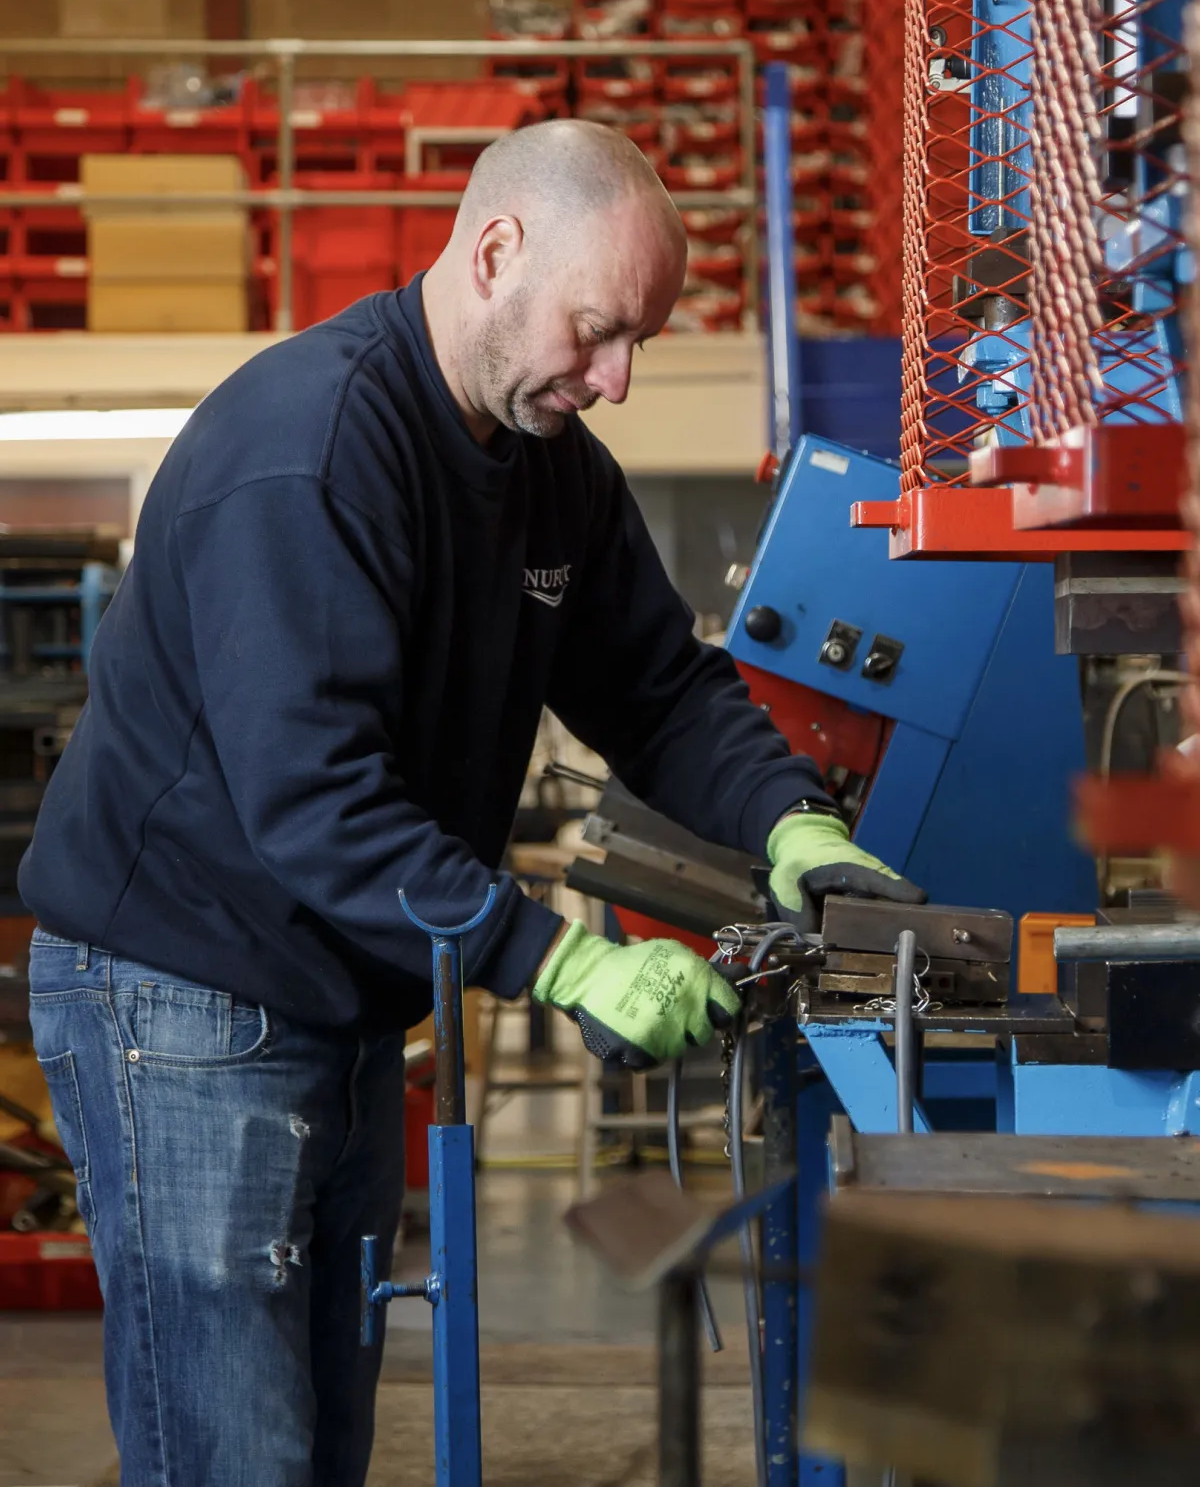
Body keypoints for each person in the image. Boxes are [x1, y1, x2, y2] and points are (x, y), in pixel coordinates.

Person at [19, 120, 921, 1487]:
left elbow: (663, 689)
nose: (616, 380)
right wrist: (556, 958)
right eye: (599, 329)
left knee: (314, 1444)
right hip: (179, 996)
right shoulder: (312, 451)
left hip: (340, 995)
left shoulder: (548, 467)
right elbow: (314, 798)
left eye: (642, 345)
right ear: (496, 250)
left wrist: (792, 823)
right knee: (231, 1453)